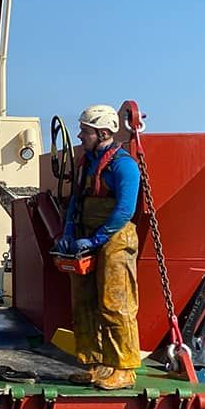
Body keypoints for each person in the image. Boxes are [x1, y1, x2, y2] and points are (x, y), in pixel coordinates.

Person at [59, 104, 143, 390]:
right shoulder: (87, 161)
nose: (80, 135)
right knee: (84, 301)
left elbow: (124, 210)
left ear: (103, 133)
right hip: (85, 233)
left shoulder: (123, 165)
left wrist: (97, 240)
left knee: (115, 303)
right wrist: (69, 229)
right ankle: (95, 363)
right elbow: (76, 199)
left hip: (115, 238)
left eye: (86, 131)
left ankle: (124, 368)